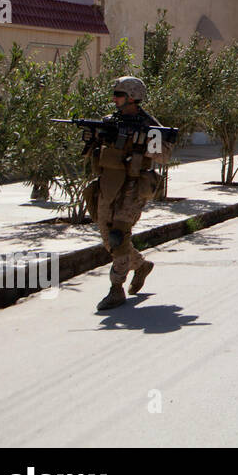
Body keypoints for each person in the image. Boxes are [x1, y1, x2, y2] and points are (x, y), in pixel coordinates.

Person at [85, 76, 172, 311]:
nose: (114, 99)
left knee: (118, 236)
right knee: (108, 240)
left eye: (119, 95)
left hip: (134, 187)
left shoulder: (149, 124)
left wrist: (141, 140)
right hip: (108, 185)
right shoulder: (109, 121)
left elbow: (164, 155)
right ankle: (140, 266)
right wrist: (94, 139)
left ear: (132, 97)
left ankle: (116, 289)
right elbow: (94, 152)